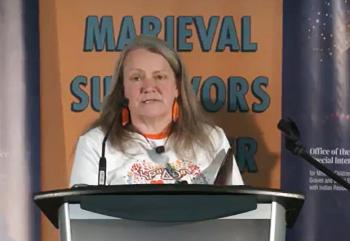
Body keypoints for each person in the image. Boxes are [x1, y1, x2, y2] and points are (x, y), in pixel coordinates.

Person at [70, 35, 243, 186]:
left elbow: (237, 213)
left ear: (177, 86)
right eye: (136, 77)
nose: (149, 87)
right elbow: (79, 217)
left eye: (159, 76)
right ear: (123, 88)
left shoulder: (211, 139)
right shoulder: (96, 144)